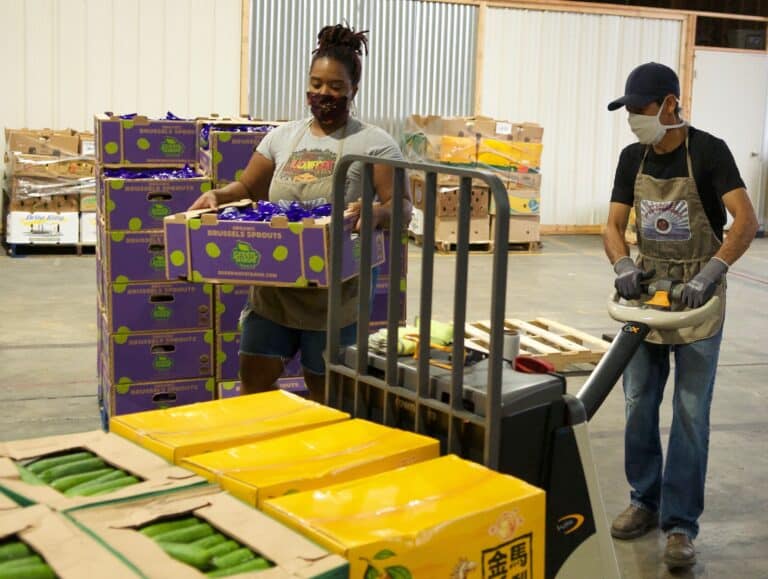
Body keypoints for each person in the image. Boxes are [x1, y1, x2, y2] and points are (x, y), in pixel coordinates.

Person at [189, 24, 411, 402]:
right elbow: (246, 189)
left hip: (337, 301)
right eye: (317, 83)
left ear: (353, 90)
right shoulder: (282, 138)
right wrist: (218, 196)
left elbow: (402, 208)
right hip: (275, 292)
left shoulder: (375, 143)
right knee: (254, 387)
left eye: (336, 86)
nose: (325, 93)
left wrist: (376, 214)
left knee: (329, 399)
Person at [603, 62, 758, 570]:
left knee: (691, 415)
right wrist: (623, 263)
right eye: (628, 112)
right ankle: (644, 501)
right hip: (648, 296)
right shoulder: (633, 157)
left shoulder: (710, 153)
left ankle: (680, 525)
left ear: (670, 103)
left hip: (697, 298)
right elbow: (612, 224)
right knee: (638, 403)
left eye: (642, 109)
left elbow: (746, 221)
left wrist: (711, 272)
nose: (634, 120)